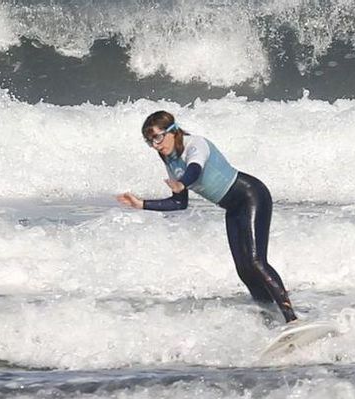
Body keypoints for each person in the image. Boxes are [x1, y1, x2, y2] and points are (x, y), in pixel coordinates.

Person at [116, 111, 297, 324]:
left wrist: (182, 183)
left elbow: (195, 168)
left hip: (252, 195)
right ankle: (271, 320)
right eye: (150, 141)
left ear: (173, 131)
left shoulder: (196, 144)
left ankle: (292, 319)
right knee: (244, 270)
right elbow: (179, 203)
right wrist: (141, 204)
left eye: (157, 137)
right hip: (233, 208)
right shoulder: (171, 161)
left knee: (256, 262)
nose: (155, 145)